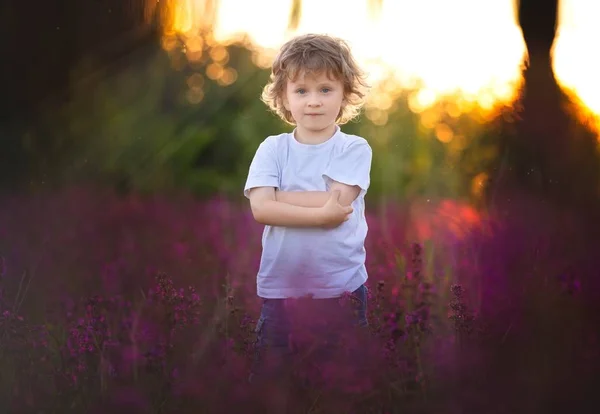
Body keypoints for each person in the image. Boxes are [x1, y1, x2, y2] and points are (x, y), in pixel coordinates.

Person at [243, 33, 373, 388]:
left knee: (342, 387)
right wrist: (320, 214)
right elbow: (261, 209)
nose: (313, 101)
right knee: (271, 385)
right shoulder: (273, 149)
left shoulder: (354, 148)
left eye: (325, 90)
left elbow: (340, 202)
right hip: (282, 290)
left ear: (345, 93)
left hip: (341, 289)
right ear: (284, 97)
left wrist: (279, 197)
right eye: (301, 91)